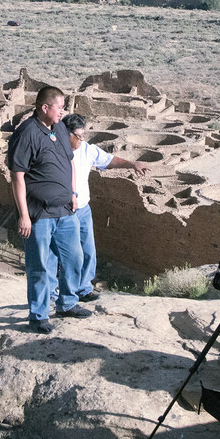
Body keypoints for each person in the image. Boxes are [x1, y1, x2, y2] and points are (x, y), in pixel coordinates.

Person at [7, 86, 89, 334]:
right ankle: (39, 314)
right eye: (60, 107)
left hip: (65, 210)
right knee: (40, 266)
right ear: (45, 108)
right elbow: (17, 176)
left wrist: (73, 193)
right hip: (39, 214)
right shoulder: (27, 134)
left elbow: (70, 162)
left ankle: (68, 302)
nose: (63, 111)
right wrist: (23, 214)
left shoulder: (61, 129)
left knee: (74, 258)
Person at [61, 113, 149, 301]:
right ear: (65, 133)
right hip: (62, 210)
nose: (81, 139)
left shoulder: (86, 149)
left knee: (87, 250)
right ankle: (60, 292)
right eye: (78, 135)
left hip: (83, 208)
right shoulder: (54, 150)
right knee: (69, 254)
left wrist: (131, 164)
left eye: (83, 135)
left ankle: (83, 289)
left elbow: (108, 161)